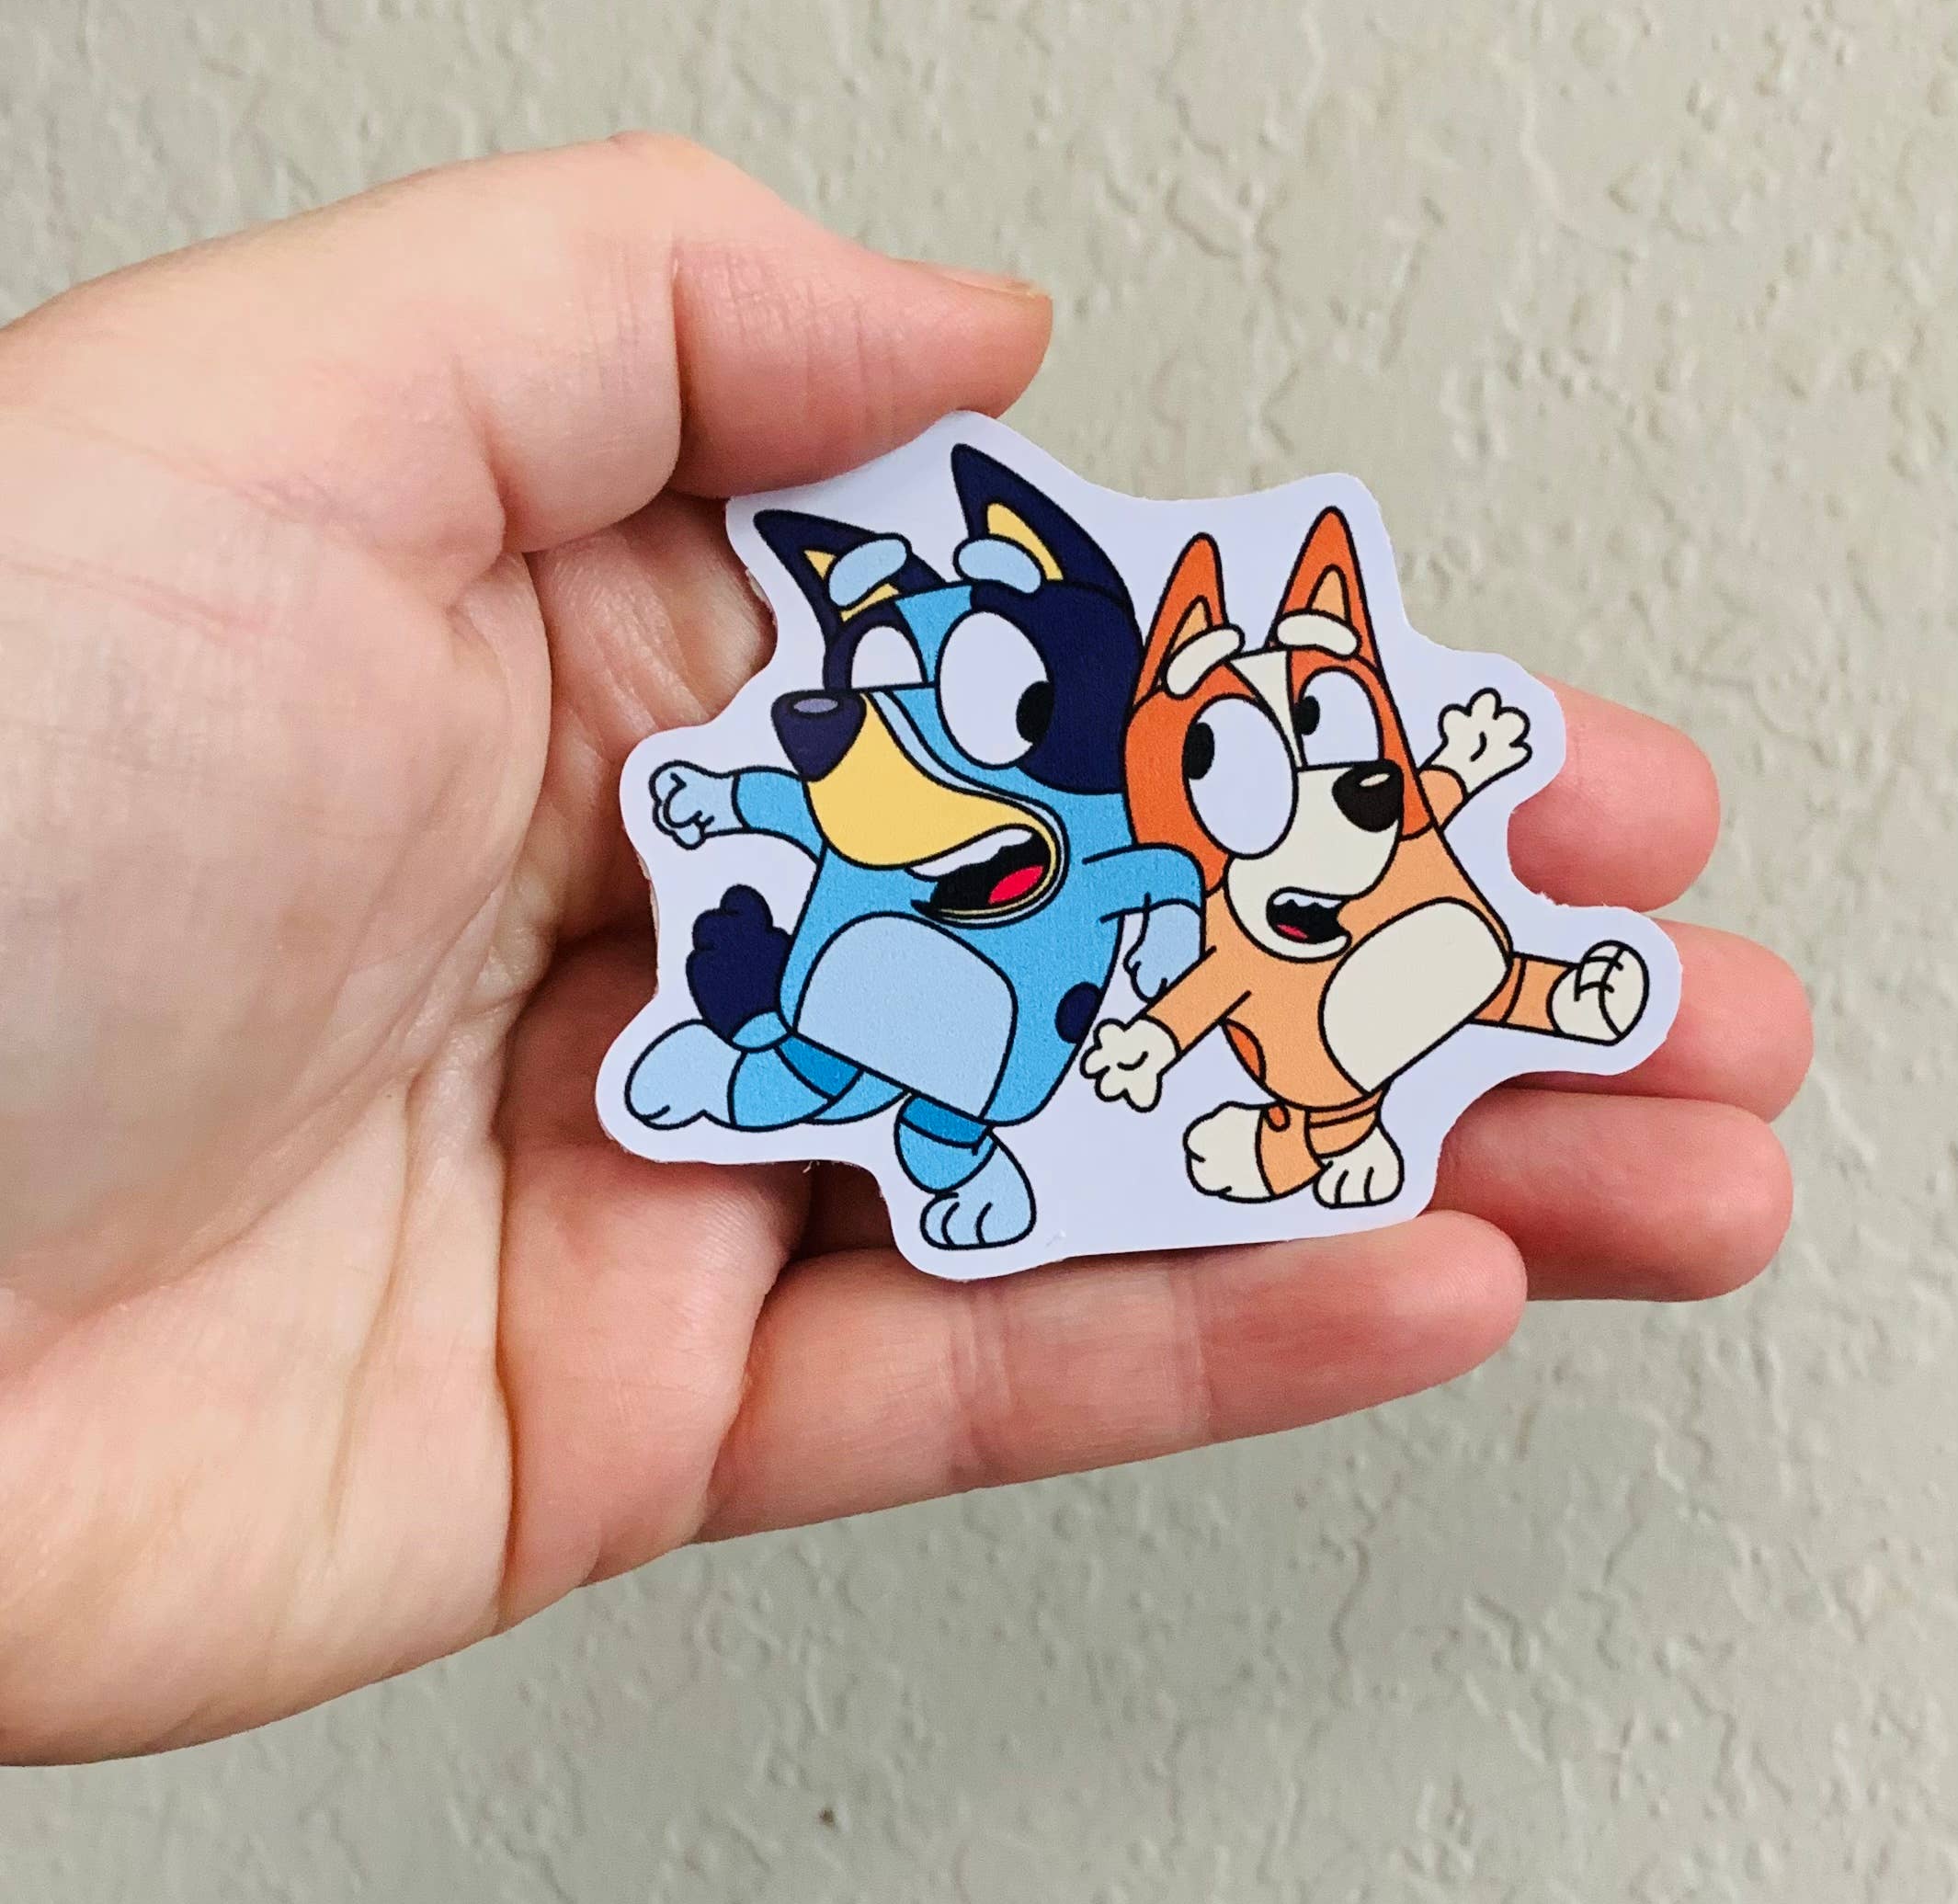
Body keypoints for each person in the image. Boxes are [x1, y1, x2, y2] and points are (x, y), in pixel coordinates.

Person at [0, 137, 1809, 1762]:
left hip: (1046, 1035)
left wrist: (1176, 1004)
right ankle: (773, 1065)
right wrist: (733, 805)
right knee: (837, 1035)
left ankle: (1011, 1106)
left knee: (978, 1083)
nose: (902, 712)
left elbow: (1165, 927)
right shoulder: (878, 767)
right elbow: (838, 816)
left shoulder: (1128, 843)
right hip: (880, 991)